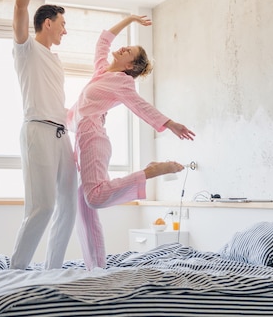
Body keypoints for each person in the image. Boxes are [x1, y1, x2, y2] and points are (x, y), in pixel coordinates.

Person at [67, 14, 195, 270]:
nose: (124, 48)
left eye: (130, 52)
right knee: (84, 209)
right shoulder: (102, 71)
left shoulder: (123, 82)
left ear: (130, 67)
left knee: (95, 198)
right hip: (81, 139)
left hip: (93, 139)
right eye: (128, 46)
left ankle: (150, 171)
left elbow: (140, 106)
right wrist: (129, 20)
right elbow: (103, 41)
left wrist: (169, 124)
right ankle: (97, 269)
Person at [10, 0, 77, 270]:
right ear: (47, 23)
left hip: (62, 135)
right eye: (63, 24)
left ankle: (52, 271)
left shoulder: (57, 60)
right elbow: (21, 7)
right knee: (42, 207)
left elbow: (58, 100)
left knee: (69, 205)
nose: (65, 31)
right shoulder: (27, 50)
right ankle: (15, 273)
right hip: (37, 130)